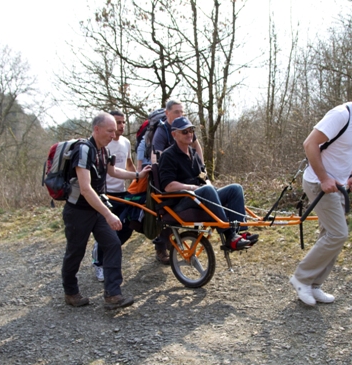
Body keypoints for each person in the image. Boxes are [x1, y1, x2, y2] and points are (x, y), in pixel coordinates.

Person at [290, 78, 352, 306]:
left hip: (337, 184)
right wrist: (324, 178)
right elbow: (310, 144)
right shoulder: (340, 115)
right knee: (338, 234)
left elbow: (347, 152)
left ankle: (314, 285)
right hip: (318, 183)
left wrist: (350, 175)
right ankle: (301, 278)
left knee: (331, 236)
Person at [61, 112, 151, 310]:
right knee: (76, 251)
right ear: (97, 129)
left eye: (115, 130)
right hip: (78, 211)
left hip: (96, 209)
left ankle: (113, 295)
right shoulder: (84, 151)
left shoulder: (104, 150)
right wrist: (109, 214)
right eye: (109, 130)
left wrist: (137, 174)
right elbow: (85, 188)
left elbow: (113, 171)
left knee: (112, 244)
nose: (114, 134)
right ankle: (71, 291)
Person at [158, 117, 257, 250]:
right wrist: (193, 188)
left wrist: (209, 186)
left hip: (201, 197)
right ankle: (230, 235)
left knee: (235, 188)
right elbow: (168, 186)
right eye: (184, 132)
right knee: (207, 190)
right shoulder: (168, 156)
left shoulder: (194, 154)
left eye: (191, 130)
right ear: (174, 134)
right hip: (181, 203)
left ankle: (240, 232)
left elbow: (204, 177)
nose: (189, 134)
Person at [151, 100, 204, 263]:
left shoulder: (189, 144)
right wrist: (156, 173)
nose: (180, 115)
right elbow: (155, 156)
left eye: (182, 112)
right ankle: (161, 247)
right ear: (167, 113)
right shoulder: (161, 133)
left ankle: (235, 231)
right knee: (164, 218)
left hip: (186, 173)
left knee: (232, 189)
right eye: (176, 112)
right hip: (172, 181)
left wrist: (203, 170)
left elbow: (196, 145)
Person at [91, 110, 136, 282]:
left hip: (122, 192)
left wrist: (137, 179)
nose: (121, 126)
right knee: (108, 232)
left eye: (123, 122)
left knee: (128, 226)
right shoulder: (103, 143)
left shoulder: (125, 142)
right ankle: (99, 263)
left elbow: (129, 163)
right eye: (117, 122)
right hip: (105, 193)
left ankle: (104, 252)